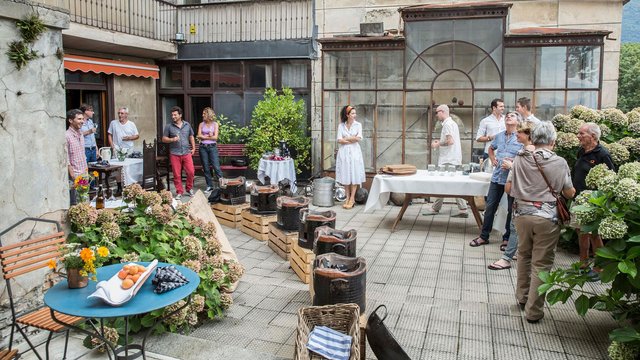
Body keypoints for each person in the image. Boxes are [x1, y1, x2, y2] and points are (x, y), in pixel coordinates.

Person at [507, 121, 575, 323]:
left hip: (521, 214)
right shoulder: (560, 162)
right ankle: (533, 312)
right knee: (541, 264)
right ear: (553, 141)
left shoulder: (519, 159)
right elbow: (569, 192)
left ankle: (521, 298)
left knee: (523, 255)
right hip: (547, 218)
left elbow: (508, 188)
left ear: (533, 139)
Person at [469, 112, 523, 247]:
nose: (508, 117)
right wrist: (493, 159)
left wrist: (514, 162)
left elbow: (526, 157)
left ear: (518, 121)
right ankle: (484, 236)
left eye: (512, 116)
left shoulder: (521, 138)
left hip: (511, 179)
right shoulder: (499, 136)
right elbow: (491, 149)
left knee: (511, 209)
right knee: (490, 207)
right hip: (497, 177)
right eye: (508, 116)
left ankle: (507, 239)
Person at [488, 119, 534, 270]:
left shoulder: (529, 150)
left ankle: (508, 257)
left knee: (515, 224)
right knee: (516, 223)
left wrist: (511, 165)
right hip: (510, 186)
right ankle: (515, 252)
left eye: (519, 132)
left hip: (522, 193)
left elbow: (529, 171)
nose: (517, 134)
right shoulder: (523, 148)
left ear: (527, 135)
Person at [573, 122, 615, 280]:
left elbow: (611, 178)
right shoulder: (581, 151)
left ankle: (600, 269)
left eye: (582, 133)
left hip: (594, 202)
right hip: (579, 200)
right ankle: (583, 264)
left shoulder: (602, 154)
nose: (578, 136)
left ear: (593, 136)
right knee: (581, 232)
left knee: (594, 234)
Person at [424, 104, 468, 217]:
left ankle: (437, 208)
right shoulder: (452, 123)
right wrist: (440, 141)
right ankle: (462, 209)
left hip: (448, 159)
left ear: (442, 112)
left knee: (442, 183)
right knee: (452, 184)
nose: (436, 114)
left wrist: (438, 143)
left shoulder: (447, 124)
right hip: (453, 158)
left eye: (437, 112)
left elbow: (450, 141)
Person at [335, 105, 366, 209]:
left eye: (355, 113)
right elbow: (339, 140)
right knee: (345, 175)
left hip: (355, 152)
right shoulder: (341, 126)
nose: (354, 115)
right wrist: (352, 138)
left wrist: (346, 138)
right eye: (352, 113)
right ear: (347, 115)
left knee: (354, 174)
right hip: (343, 153)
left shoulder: (358, 125)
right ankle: (347, 198)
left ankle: (352, 199)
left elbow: (359, 138)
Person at [162, 106, 196, 200]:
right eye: (172, 115)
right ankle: (179, 192)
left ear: (180, 115)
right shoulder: (169, 126)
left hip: (186, 152)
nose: (173, 116)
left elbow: (191, 136)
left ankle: (189, 188)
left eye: (175, 115)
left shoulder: (187, 125)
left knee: (191, 172)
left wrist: (193, 148)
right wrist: (172, 139)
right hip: (174, 153)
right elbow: (164, 139)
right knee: (176, 174)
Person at [197, 107, 223, 192]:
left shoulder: (215, 124)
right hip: (202, 147)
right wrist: (209, 136)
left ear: (209, 114)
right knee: (206, 167)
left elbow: (215, 138)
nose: (202, 115)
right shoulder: (201, 124)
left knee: (216, 167)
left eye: (204, 114)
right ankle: (209, 186)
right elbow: (199, 136)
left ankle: (222, 185)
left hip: (212, 147)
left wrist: (204, 137)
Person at [65, 109, 87, 205]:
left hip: (84, 172)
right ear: (70, 120)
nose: (82, 121)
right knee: (76, 203)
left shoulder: (81, 134)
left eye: (82, 119)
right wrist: (72, 173)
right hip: (75, 174)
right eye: (79, 119)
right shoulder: (66, 136)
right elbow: (66, 157)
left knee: (84, 201)